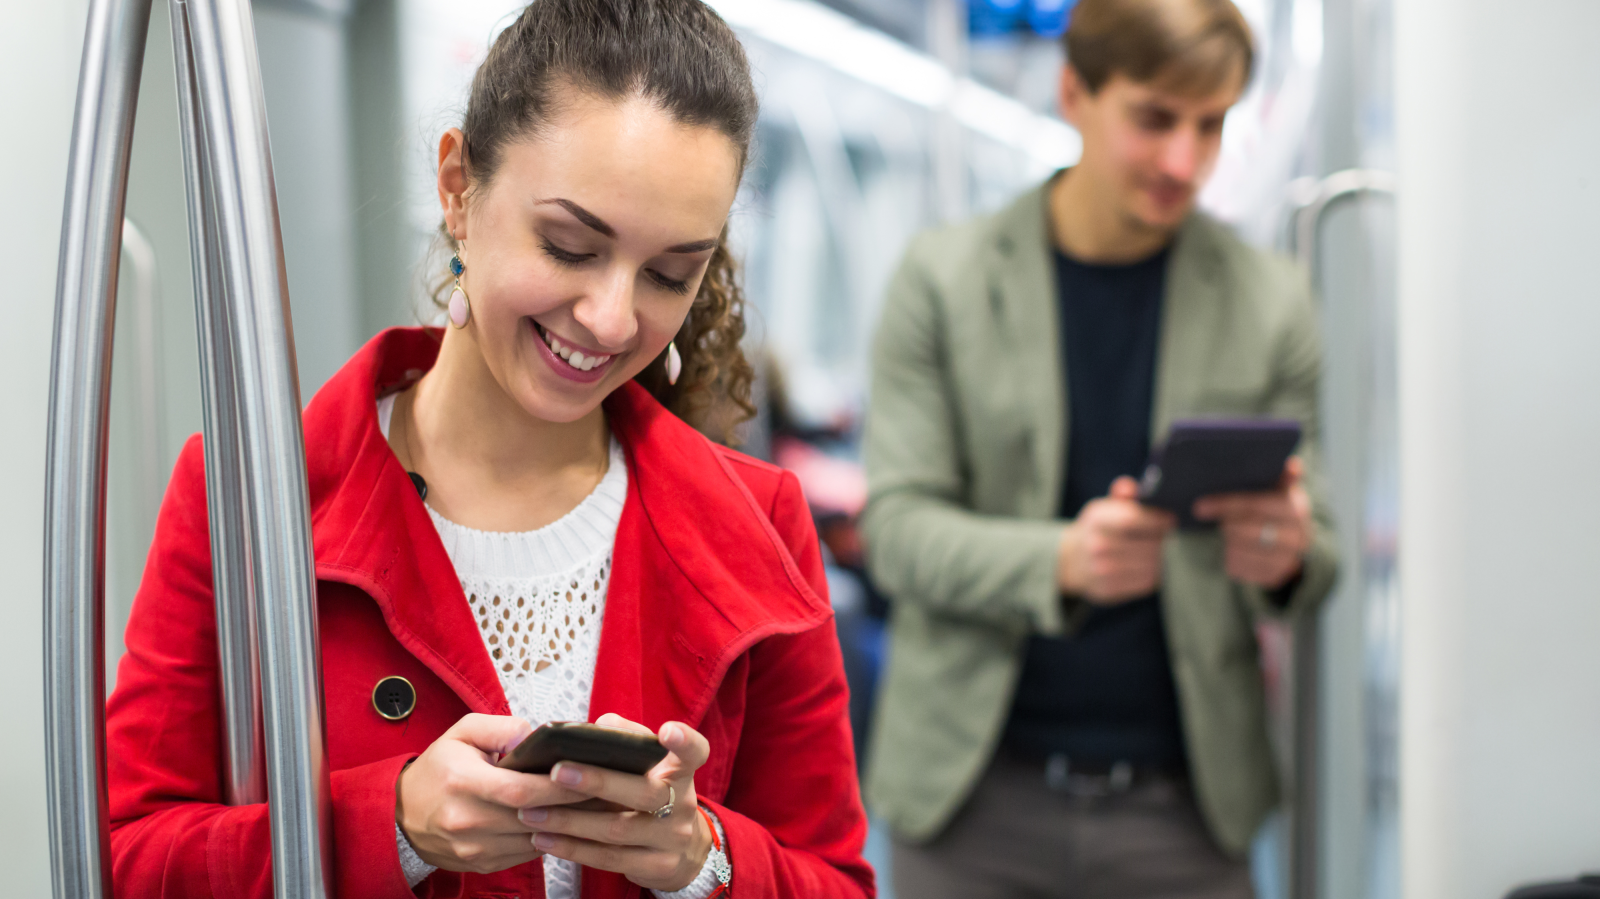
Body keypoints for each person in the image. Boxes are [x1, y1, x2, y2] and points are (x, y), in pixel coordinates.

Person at [104, 2, 875, 898]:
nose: (612, 319)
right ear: (458, 188)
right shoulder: (248, 499)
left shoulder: (760, 523)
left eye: (670, 274)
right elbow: (125, 857)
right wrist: (386, 824)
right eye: (570, 245)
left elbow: (837, 881)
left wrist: (703, 856)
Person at [861, 0, 1338, 896]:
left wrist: (1286, 553)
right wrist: (1065, 560)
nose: (1184, 161)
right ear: (1074, 91)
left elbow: (1322, 555)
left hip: (1185, 813)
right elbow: (896, 531)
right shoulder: (945, 280)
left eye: (1212, 126)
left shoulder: (1270, 301)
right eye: (1156, 119)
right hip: (972, 799)